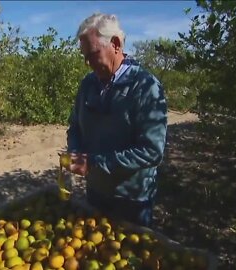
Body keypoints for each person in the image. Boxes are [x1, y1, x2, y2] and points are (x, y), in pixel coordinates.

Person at [64, 13, 168, 227]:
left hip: (131, 200)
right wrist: (75, 151)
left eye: (92, 54)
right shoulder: (88, 85)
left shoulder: (145, 87)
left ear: (116, 44)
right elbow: (74, 127)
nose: (88, 63)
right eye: (84, 56)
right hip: (95, 192)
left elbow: (151, 151)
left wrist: (94, 162)